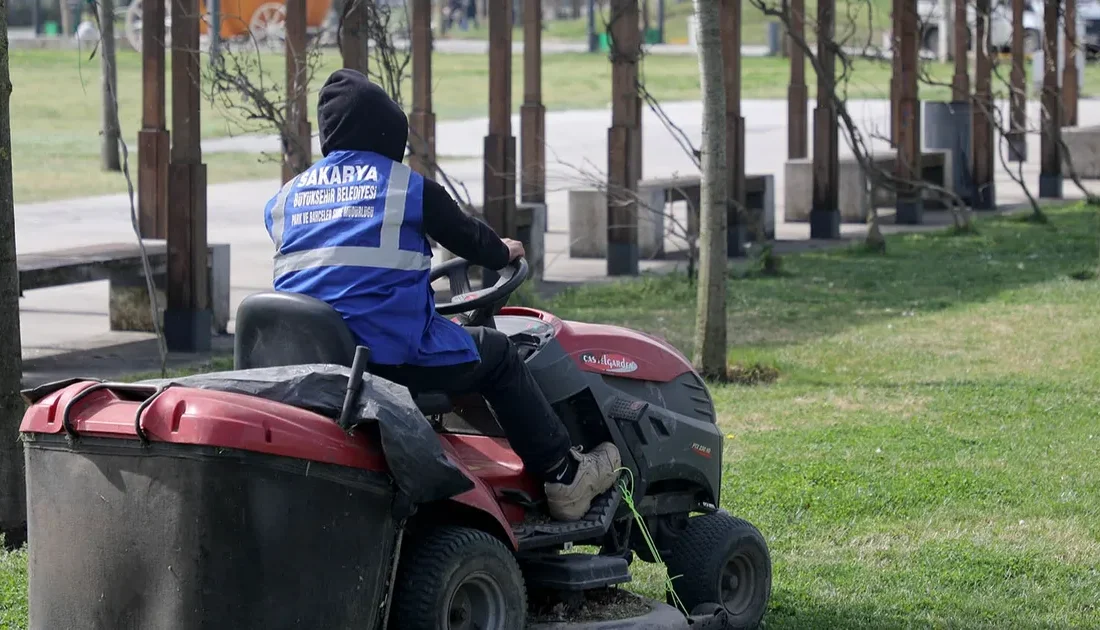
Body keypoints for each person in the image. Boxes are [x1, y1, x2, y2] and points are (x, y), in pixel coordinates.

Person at [262, 69, 621, 522]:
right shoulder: (405, 187)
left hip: (308, 362)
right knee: (498, 354)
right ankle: (564, 474)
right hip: (385, 362)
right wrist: (500, 250)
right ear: (389, 132)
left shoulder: (286, 198)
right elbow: (471, 239)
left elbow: (338, 264)